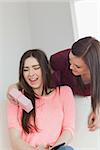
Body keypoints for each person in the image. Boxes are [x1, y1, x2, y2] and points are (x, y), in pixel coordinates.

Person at [7, 49, 75, 150]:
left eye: (36, 68)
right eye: (26, 70)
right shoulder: (16, 99)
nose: (31, 74)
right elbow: (15, 139)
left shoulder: (64, 92)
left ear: (45, 69)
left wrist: (53, 148)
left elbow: (68, 129)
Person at [50, 36, 100, 131]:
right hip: (58, 99)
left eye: (77, 66)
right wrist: (18, 85)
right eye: (70, 61)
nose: (71, 67)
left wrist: (97, 110)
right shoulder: (61, 58)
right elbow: (40, 74)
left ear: (91, 67)